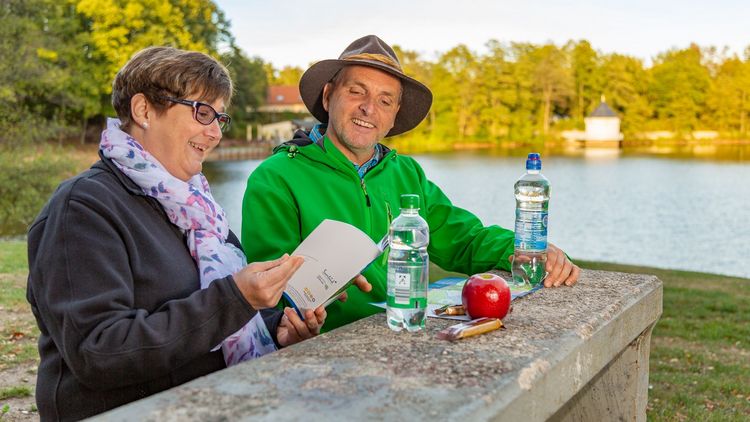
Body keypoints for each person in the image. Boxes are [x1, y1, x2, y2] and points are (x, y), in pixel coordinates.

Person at [26, 46, 369, 421]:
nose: (215, 132)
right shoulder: (83, 208)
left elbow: (221, 320)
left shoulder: (198, 208)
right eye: (202, 113)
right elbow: (99, 352)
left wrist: (279, 331)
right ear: (143, 111)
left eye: (220, 118)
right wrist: (235, 298)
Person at [241, 35, 579, 332]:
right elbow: (267, 294)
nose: (368, 108)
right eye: (356, 91)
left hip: (402, 333)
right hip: (323, 350)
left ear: (394, 116)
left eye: (385, 101)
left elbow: (464, 239)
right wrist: (288, 325)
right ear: (329, 97)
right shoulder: (275, 177)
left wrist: (524, 250)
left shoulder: (406, 173)